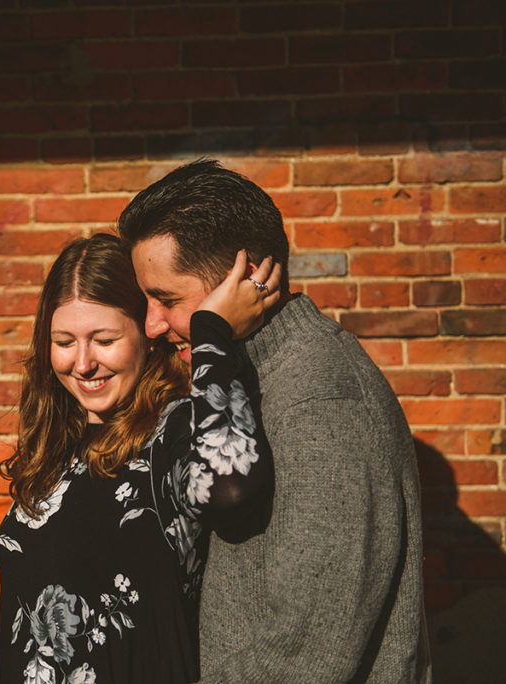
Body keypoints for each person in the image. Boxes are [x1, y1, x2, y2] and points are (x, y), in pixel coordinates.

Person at [118, 159, 431, 683]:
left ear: (249, 278)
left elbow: (311, 644)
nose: (151, 325)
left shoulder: (321, 397)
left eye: (167, 300)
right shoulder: (244, 378)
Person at [0, 233, 280, 684]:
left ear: (147, 336)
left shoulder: (173, 431)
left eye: (104, 340)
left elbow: (229, 486)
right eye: (64, 342)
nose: (83, 364)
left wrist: (211, 331)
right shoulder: (56, 449)